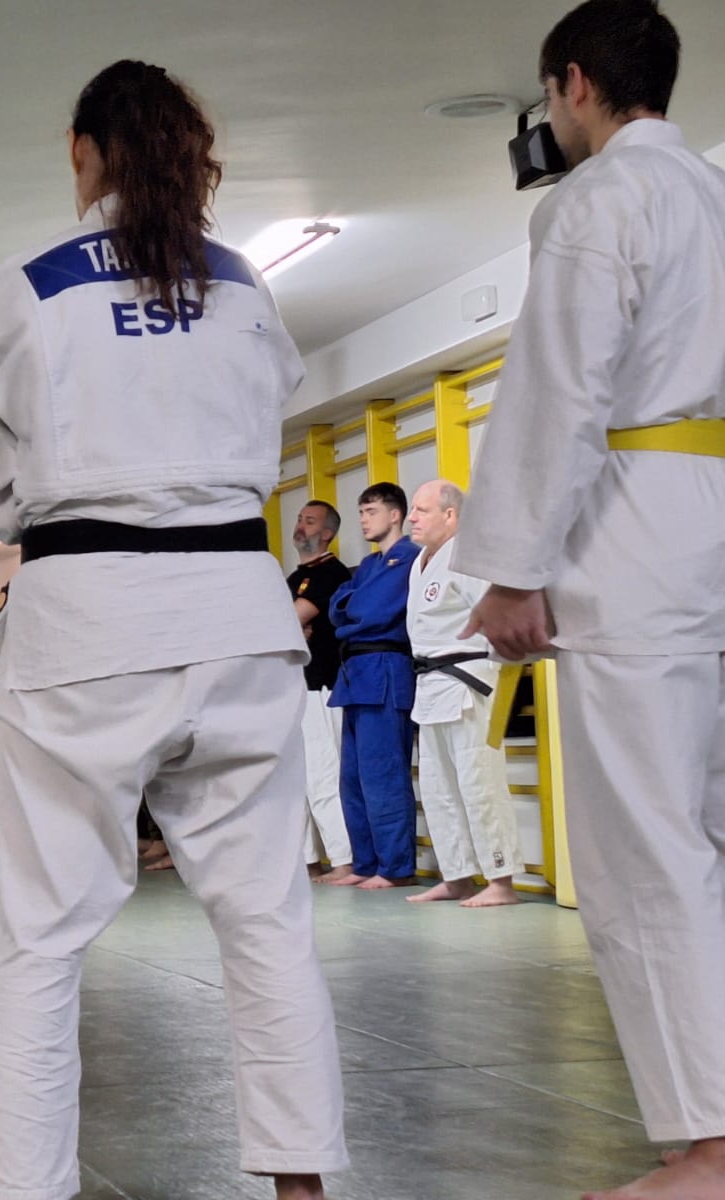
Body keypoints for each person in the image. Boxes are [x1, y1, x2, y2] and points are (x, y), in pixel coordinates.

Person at [0, 59, 346, 1200]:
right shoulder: (244, 286)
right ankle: (300, 1182)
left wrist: (73, 512)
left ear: (86, 155)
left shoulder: (28, 286)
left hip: (87, 620)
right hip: (237, 610)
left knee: (37, 937)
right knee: (266, 916)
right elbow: (259, 438)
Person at [455, 3, 725, 1194]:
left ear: (573, 85)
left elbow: (560, 388)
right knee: (704, 828)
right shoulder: (716, 196)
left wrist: (512, 567)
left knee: (646, 845)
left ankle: (709, 1146)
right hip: (711, 518)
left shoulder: (598, 201)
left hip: (637, 534)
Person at [402, 481, 521, 909]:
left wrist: (499, 673)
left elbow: (496, 619)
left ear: (449, 516)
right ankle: (456, 877)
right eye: (412, 509)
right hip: (430, 683)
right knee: (437, 789)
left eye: (421, 509)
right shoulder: (420, 562)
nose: (411, 517)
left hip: (468, 679)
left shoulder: (468, 557)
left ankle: (501, 879)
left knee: (479, 784)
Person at [325, 483, 419, 890]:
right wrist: (351, 608)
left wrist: (351, 607)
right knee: (353, 778)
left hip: (385, 667)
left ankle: (395, 867)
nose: (363, 519)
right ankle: (365, 861)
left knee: (383, 774)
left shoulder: (410, 556)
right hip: (355, 672)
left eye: (371, 510)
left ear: (395, 514)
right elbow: (337, 607)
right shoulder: (367, 566)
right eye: (361, 511)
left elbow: (370, 609)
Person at [286, 500, 354, 882]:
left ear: (327, 532)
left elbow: (288, 620)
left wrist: (288, 625)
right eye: (299, 518)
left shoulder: (332, 574)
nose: (300, 525)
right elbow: (278, 623)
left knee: (324, 777)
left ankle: (343, 860)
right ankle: (309, 861)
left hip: (323, 687)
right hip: (297, 688)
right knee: (299, 781)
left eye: (309, 521)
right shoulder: (296, 577)